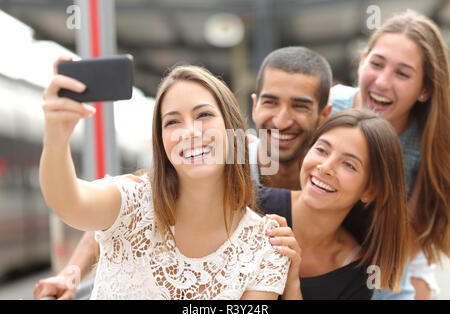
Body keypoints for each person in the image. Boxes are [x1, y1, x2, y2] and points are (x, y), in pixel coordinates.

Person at [35, 46, 333, 299]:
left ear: (231, 129)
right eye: (172, 122)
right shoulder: (130, 201)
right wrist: (56, 138)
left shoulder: (265, 247)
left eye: (203, 115)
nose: (190, 132)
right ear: (162, 142)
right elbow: (68, 201)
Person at [330, 10, 450, 299]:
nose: (382, 82)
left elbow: (411, 240)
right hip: (326, 241)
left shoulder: (428, 142)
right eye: (377, 64)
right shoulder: (329, 109)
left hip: (395, 249)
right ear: (362, 61)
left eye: (402, 73)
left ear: (424, 90)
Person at [261, 109, 410, 299]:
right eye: (322, 150)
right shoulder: (254, 205)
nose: (325, 167)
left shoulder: (358, 276)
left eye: (349, 164)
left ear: (370, 190)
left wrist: (291, 283)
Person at [250, 46, 332, 190]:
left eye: (299, 106)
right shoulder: (223, 172)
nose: (281, 123)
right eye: (270, 103)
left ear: (323, 116)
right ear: (254, 107)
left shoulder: (335, 182)